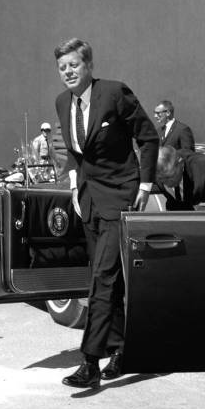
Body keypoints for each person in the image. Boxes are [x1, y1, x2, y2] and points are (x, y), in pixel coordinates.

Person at [54, 38, 159, 388]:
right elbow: (74, 151)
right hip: (88, 201)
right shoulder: (61, 103)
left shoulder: (114, 93)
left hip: (120, 197)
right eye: (62, 67)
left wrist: (144, 186)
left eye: (74, 65)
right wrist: (72, 186)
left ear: (89, 66)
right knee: (109, 281)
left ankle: (90, 361)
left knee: (101, 277)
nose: (68, 71)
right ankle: (120, 348)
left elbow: (148, 138)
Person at [154, 145, 205, 210]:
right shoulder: (154, 172)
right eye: (161, 179)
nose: (167, 183)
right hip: (175, 211)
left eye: (170, 177)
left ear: (181, 164)